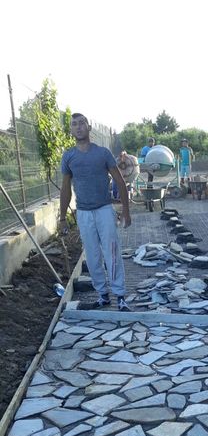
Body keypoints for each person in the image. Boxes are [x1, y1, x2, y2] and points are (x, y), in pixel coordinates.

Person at [60, 112, 131, 311]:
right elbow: (65, 189)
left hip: (104, 210)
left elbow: (120, 182)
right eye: (74, 124)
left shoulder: (102, 153)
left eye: (82, 123)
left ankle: (120, 296)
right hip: (83, 213)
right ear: (71, 130)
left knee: (112, 252)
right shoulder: (68, 157)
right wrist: (62, 217)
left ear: (89, 127)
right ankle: (103, 295)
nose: (79, 127)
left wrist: (126, 211)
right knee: (92, 256)